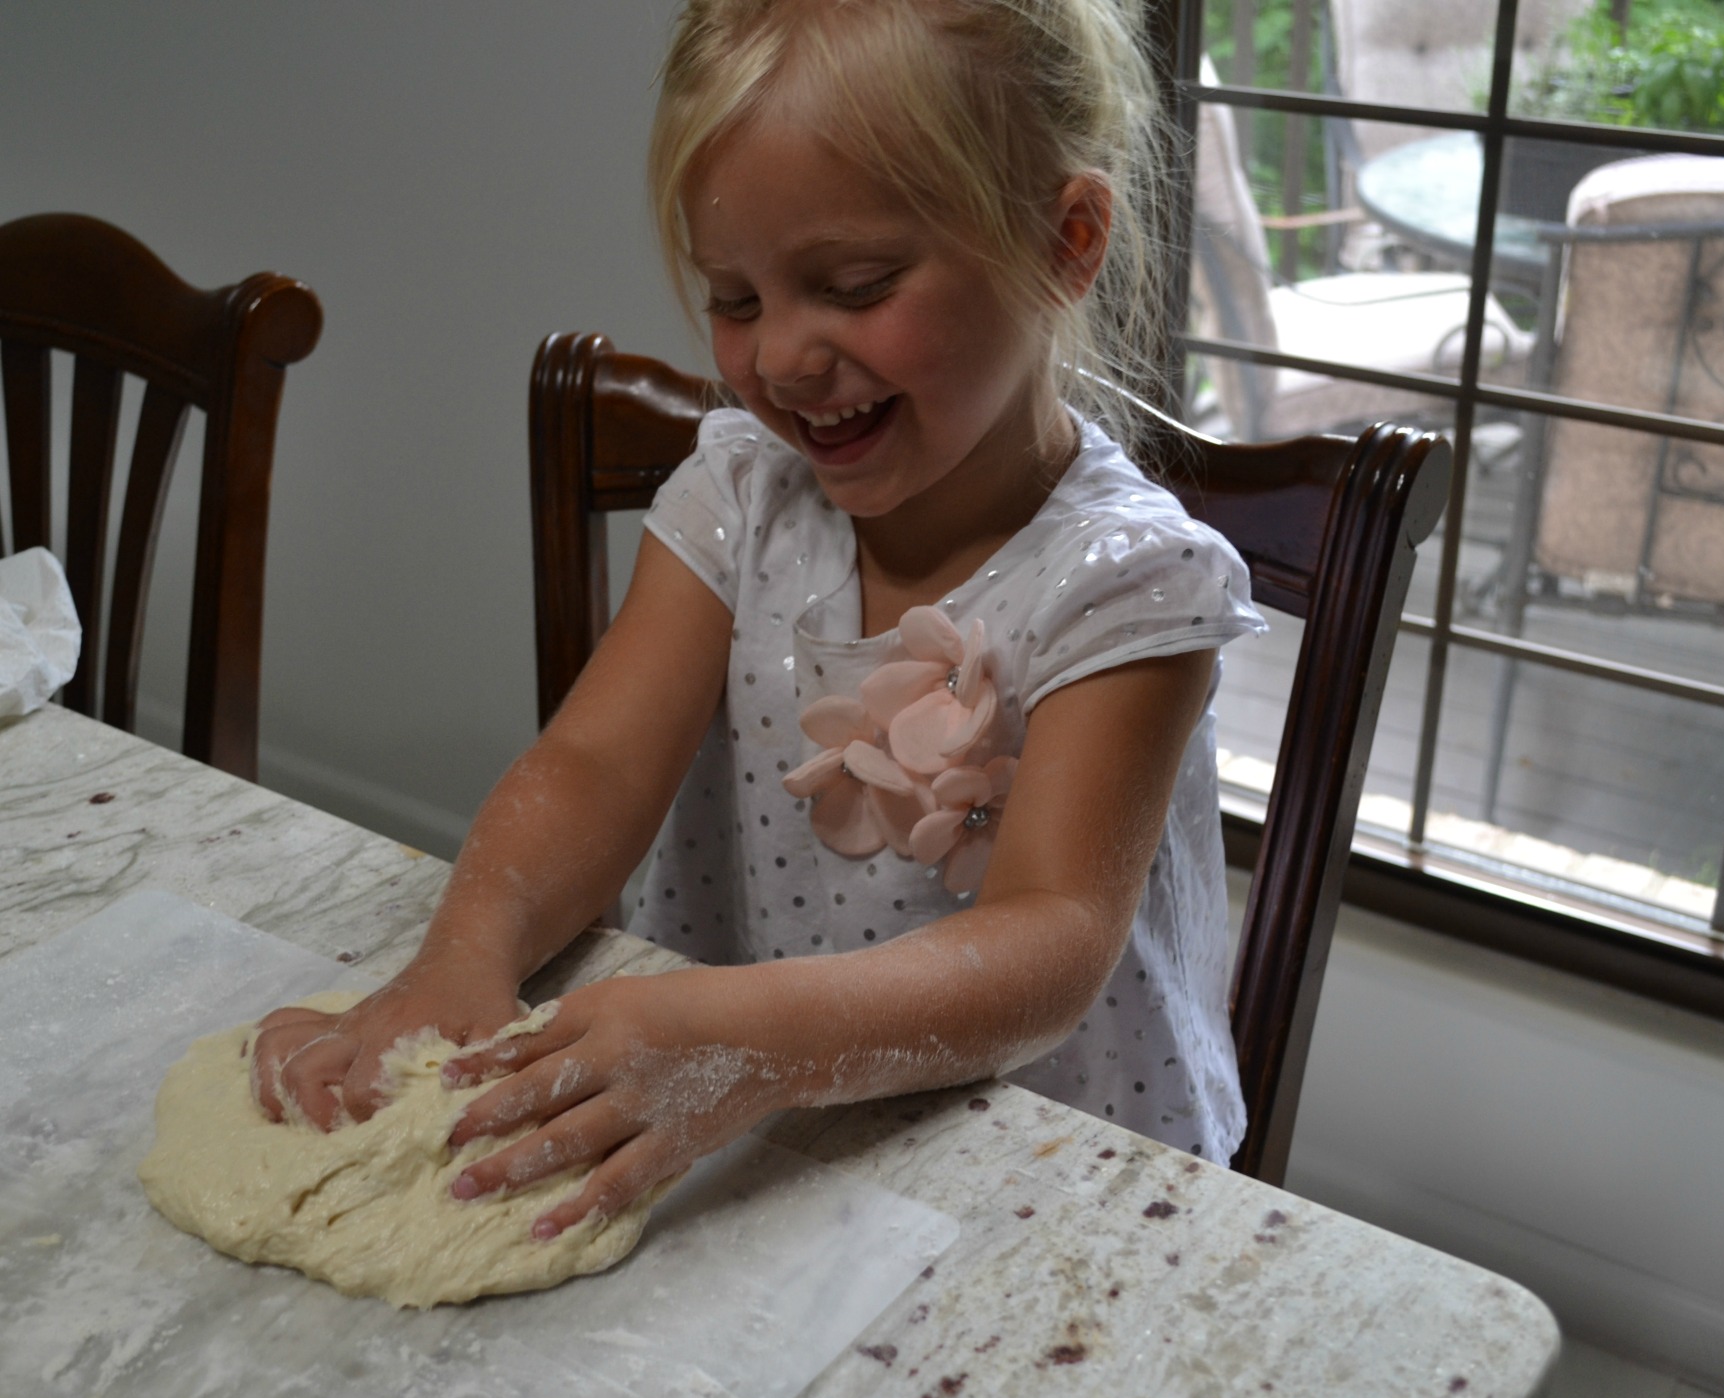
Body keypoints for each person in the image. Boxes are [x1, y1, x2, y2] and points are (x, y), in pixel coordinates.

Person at [252, 0, 1265, 1244]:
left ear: (1063, 242)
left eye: (854, 285)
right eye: (734, 297)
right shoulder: (741, 497)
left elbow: (1047, 942)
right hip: (764, 1134)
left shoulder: (1126, 582)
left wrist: (735, 1036)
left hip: (1046, 1178)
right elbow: (592, 764)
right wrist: (464, 952)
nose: (782, 357)